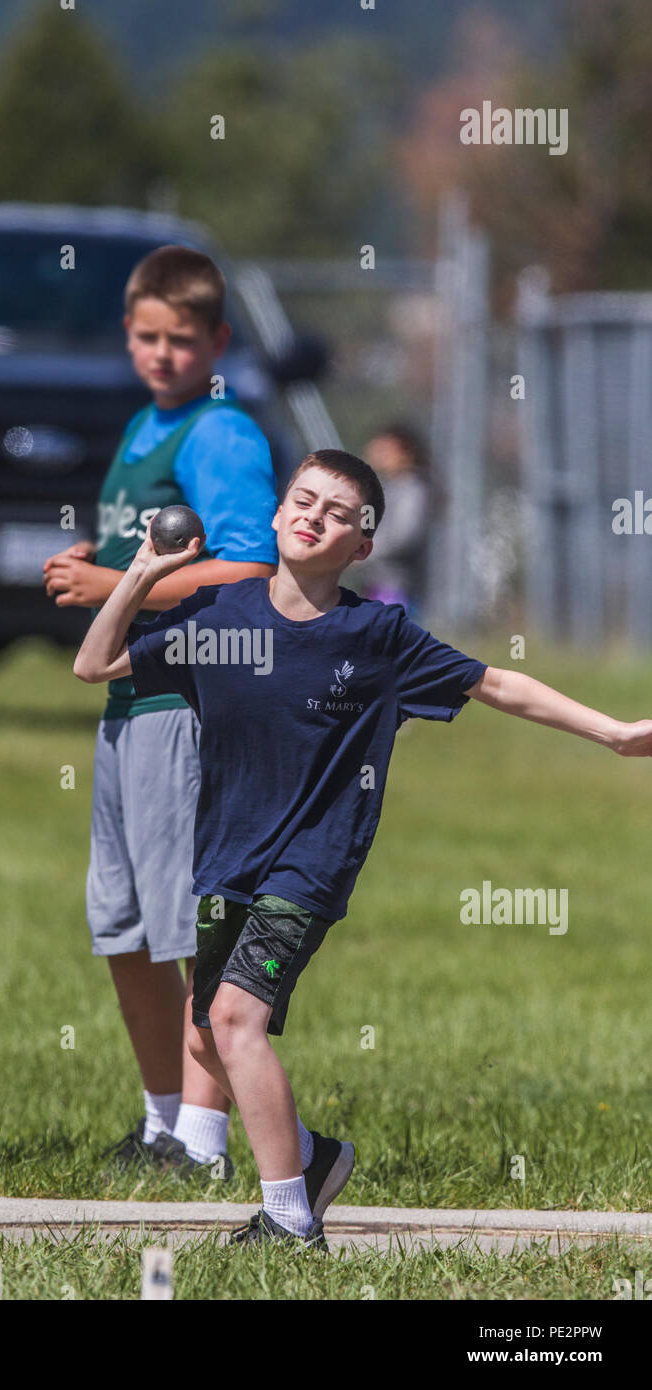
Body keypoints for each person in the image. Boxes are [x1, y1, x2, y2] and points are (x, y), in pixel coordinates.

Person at [73, 446, 652, 1245]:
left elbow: (495, 683)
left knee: (236, 1020)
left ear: (362, 546)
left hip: (310, 863)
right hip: (226, 858)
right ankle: (310, 1158)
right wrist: (139, 575)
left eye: (339, 513)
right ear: (277, 516)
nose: (314, 516)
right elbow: (94, 662)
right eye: (303, 500)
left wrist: (614, 732)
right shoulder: (221, 621)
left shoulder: (376, 636)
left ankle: (288, 1220)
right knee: (209, 1029)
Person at [43, 246, 278, 1174]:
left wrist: (111, 580)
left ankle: (206, 1140)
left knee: (187, 928)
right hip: (127, 704)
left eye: (183, 340)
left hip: (186, 705)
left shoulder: (220, 434)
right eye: (147, 336)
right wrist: (101, 562)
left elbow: (251, 570)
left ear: (218, 340)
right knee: (126, 923)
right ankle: (160, 1123)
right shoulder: (147, 423)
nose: (163, 354)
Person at [342, 424, 429, 616]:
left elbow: (404, 536)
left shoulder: (412, 489)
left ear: (405, 452)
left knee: (390, 641)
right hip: (375, 583)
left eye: (385, 450)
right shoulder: (383, 488)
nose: (377, 454)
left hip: (398, 587)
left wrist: (364, 552)